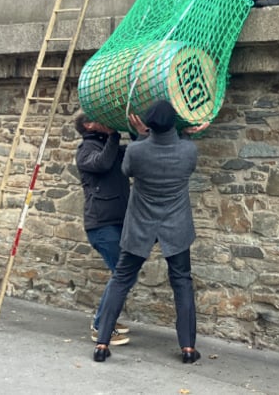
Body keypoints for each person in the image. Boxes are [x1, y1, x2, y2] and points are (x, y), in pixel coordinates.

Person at [92, 100, 210, 364]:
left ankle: (102, 343)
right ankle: (188, 348)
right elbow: (182, 156)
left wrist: (140, 136)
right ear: (174, 124)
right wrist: (188, 133)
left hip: (140, 223)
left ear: (147, 124)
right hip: (176, 224)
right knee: (182, 282)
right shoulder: (188, 151)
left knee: (121, 279)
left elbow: (127, 170)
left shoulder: (136, 151)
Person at [74, 112, 133, 346]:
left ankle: (105, 319)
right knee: (123, 272)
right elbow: (103, 163)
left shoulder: (106, 144)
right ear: (88, 125)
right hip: (101, 225)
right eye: (97, 118)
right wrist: (113, 135)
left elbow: (131, 153)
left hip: (118, 221)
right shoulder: (85, 150)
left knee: (124, 273)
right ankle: (101, 325)